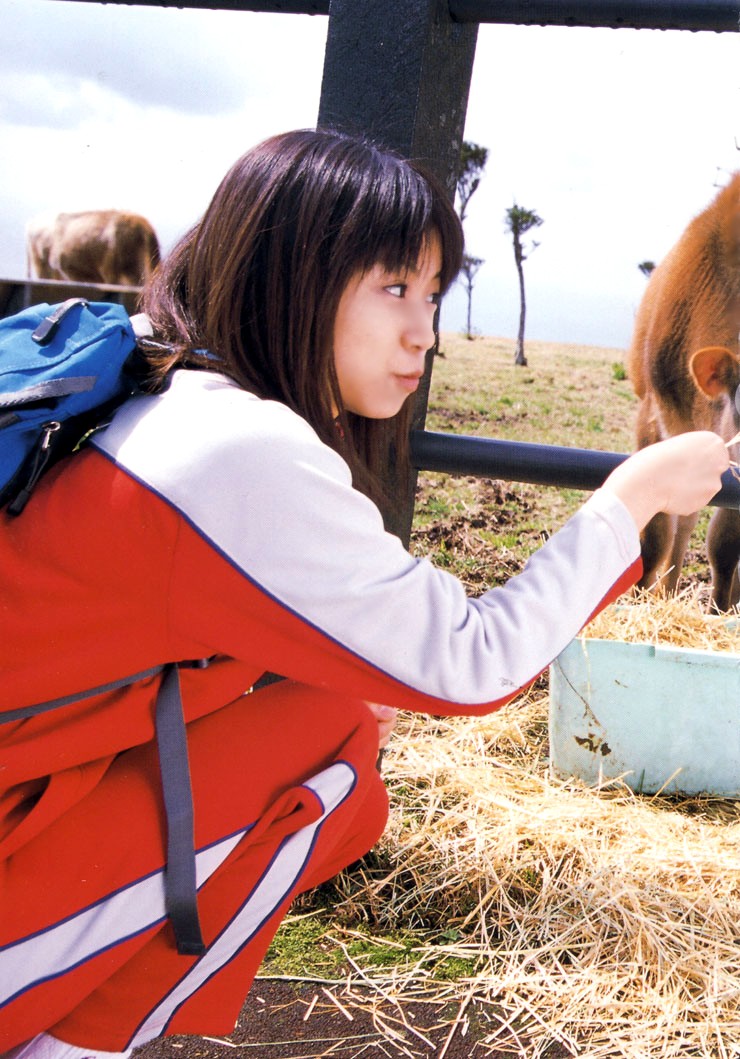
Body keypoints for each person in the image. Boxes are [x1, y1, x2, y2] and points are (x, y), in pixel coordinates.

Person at [0, 128, 728, 1059]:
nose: (422, 330)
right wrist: (632, 497)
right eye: (393, 288)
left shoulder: (147, 379)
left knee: (324, 701)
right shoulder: (236, 450)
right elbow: (470, 663)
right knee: (329, 737)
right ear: (293, 273)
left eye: (433, 295)